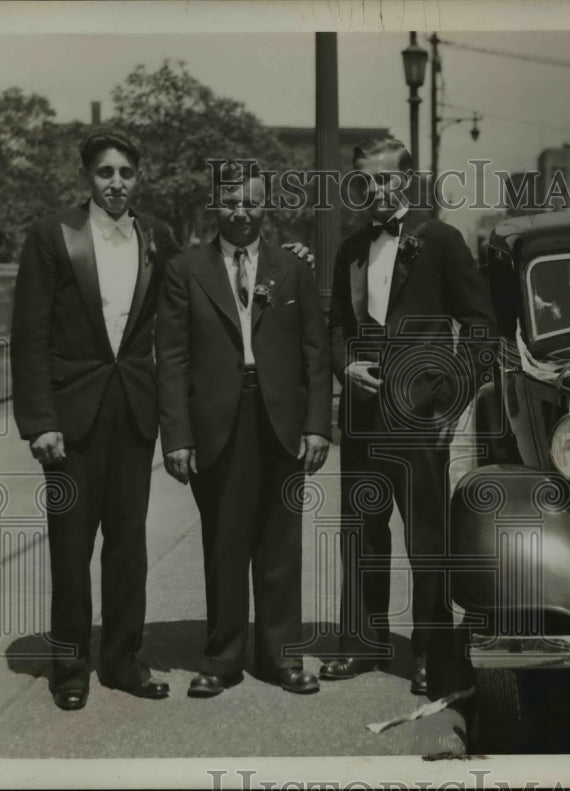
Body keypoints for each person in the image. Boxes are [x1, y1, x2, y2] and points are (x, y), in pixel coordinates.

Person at [10, 128, 181, 710]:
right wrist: (39, 422)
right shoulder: (52, 235)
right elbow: (28, 335)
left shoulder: (160, 237)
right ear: (88, 176)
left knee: (128, 544)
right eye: (105, 172)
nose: (116, 184)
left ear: (139, 177)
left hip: (133, 409)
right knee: (71, 544)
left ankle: (123, 660)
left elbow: (190, 301)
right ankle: (71, 666)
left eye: (126, 173)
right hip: (69, 416)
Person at [321, 137, 497, 701]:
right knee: (362, 533)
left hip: (421, 418)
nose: (374, 190)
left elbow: (479, 327)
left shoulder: (440, 240)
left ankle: (429, 651)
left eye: (384, 179)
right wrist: (345, 366)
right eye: (363, 181)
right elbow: (334, 327)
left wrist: (451, 400)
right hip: (362, 417)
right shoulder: (349, 247)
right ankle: (364, 640)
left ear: (407, 182)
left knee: (426, 540)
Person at [156, 171, 331, 696]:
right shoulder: (185, 270)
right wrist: (177, 436)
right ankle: (222, 657)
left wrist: (318, 424)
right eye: (231, 201)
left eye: (252, 202)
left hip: (280, 418)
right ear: (216, 205)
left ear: (266, 208)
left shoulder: (292, 268)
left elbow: (315, 353)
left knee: (281, 543)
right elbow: (171, 358)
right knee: (225, 542)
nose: (242, 212)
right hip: (217, 422)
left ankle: (282, 657)